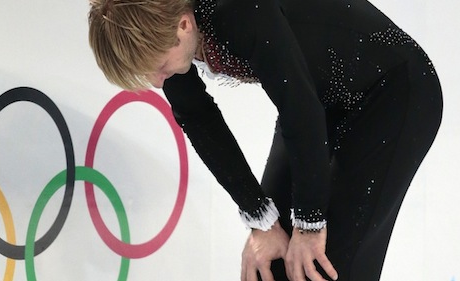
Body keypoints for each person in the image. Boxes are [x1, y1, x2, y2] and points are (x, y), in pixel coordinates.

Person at [87, 0, 443, 280]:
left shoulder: (238, 10)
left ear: (184, 25)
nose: (155, 80)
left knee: (324, 266)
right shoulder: (169, 33)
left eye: (159, 65)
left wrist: (308, 223)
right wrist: (262, 221)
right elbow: (200, 122)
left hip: (394, 91)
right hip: (320, 98)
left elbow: (299, 112)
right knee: (269, 265)